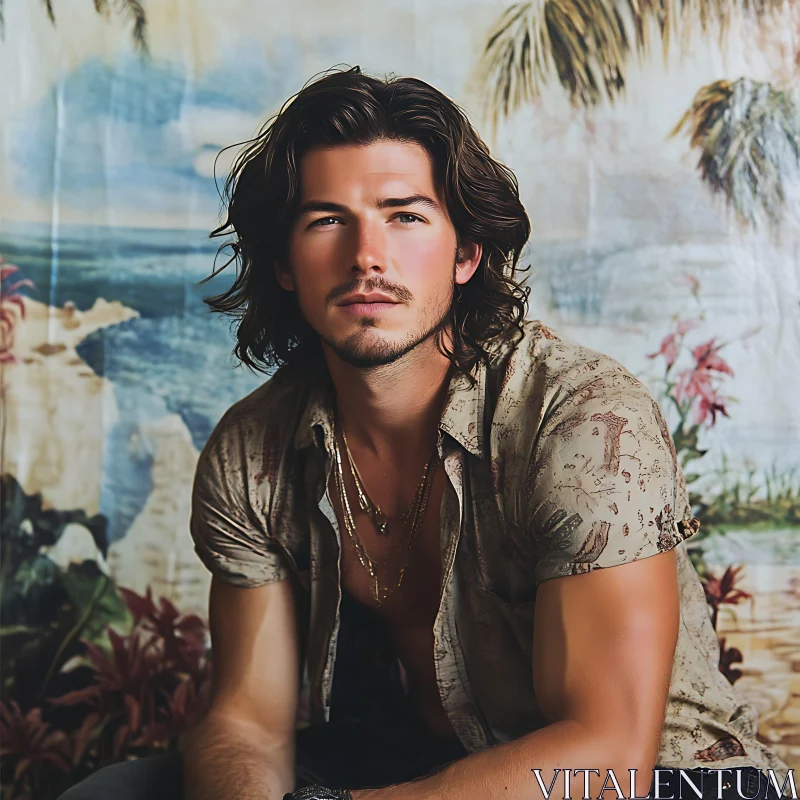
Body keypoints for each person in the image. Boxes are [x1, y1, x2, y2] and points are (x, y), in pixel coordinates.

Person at [60, 66, 793, 800]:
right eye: (326, 220)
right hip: (416, 764)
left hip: (660, 779)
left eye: (404, 216)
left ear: (467, 254)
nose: (366, 257)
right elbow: (248, 721)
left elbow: (604, 758)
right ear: (285, 263)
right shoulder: (253, 450)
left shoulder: (581, 420)